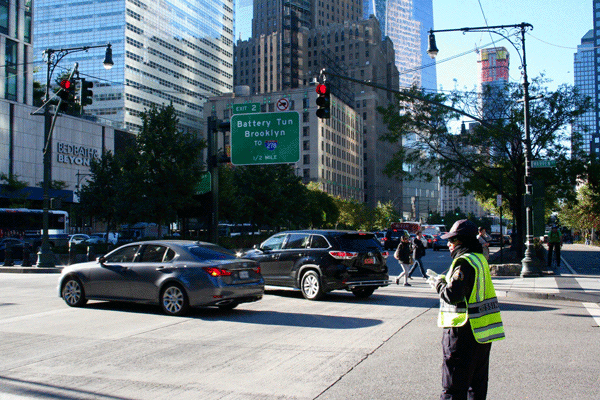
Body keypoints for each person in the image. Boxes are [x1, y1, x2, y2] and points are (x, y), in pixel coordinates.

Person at [427, 219, 505, 400]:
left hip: (462, 333)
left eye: (452, 241)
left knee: (453, 388)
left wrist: (439, 284)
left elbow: (453, 295)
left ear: (461, 242)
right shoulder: (480, 259)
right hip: (482, 333)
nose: (448, 245)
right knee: (476, 387)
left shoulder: (464, 262)